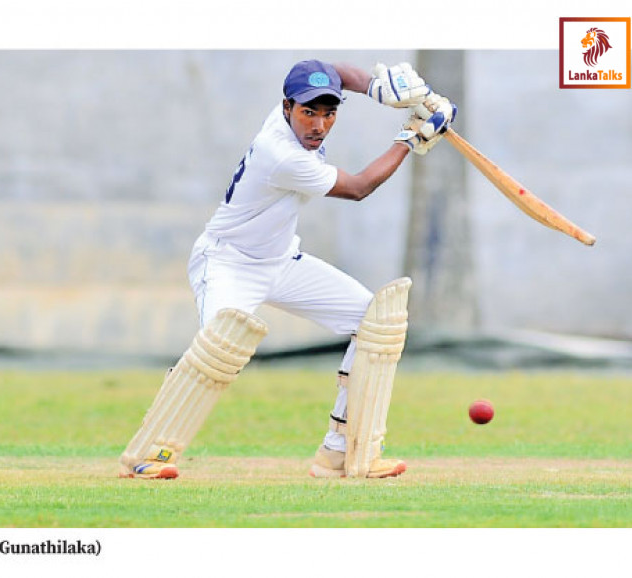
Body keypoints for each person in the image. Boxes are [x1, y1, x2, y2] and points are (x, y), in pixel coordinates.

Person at [119, 60, 456, 480]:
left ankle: (342, 454)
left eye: (328, 113)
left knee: (375, 321)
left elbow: (331, 70)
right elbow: (358, 188)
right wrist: (411, 136)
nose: (318, 125)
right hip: (228, 262)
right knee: (218, 352)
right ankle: (147, 457)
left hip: (281, 261)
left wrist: (376, 88)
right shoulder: (280, 153)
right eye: (308, 113)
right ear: (286, 108)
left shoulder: (301, 121)